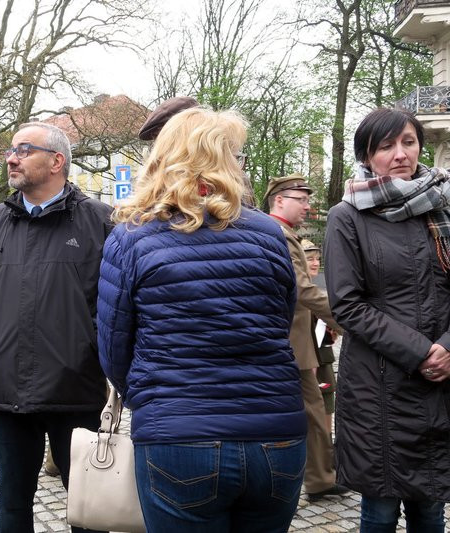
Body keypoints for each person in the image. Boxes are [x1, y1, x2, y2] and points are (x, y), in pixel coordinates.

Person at [98, 107, 307, 532]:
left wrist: (155, 402)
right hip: (275, 434)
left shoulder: (131, 237)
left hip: (178, 437)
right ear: (227, 161)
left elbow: (113, 348)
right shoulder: (268, 233)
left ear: (162, 157)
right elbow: (280, 321)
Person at [0, 122, 113, 533]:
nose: (11, 158)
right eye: (11, 150)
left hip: (76, 392)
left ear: (57, 161)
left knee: (88, 508)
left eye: (23, 150)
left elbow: (120, 301)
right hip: (7, 395)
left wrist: (92, 347)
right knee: (11, 505)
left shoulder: (103, 222)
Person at [324, 107, 450, 532]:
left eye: (409, 142)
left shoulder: (442, 207)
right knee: (379, 510)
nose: (400, 154)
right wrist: (421, 353)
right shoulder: (348, 217)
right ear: (366, 154)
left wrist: (446, 350)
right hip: (379, 390)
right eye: (386, 146)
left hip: (441, 386)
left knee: (432, 509)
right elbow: (347, 304)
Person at [264, 173, 347, 502]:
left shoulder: (284, 233)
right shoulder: (280, 235)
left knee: (310, 411)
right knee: (311, 412)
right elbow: (302, 290)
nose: (308, 206)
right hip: (290, 344)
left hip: (293, 342)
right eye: (302, 199)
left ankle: (318, 477)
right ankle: (317, 479)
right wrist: (344, 317)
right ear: (280, 200)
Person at [301, 239, 338, 436]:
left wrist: (332, 333)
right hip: (304, 364)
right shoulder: (297, 294)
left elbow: (329, 333)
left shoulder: (320, 295)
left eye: (317, 259)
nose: (316, 263)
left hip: (323, 363)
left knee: (325, 419)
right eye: (310, 259)